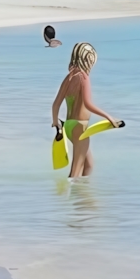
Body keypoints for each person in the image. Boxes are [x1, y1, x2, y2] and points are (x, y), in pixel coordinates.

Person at [50, 42, 118, 179]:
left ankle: (83, 198)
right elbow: (88, 104)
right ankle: (70, 198)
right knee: (75, 172)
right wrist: (109, 117)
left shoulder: (68, 78)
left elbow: (55, 104)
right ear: (87, 60)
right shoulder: (84, 78)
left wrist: (56, 123)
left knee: (88, 166)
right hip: (80, 127)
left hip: (69, 127)